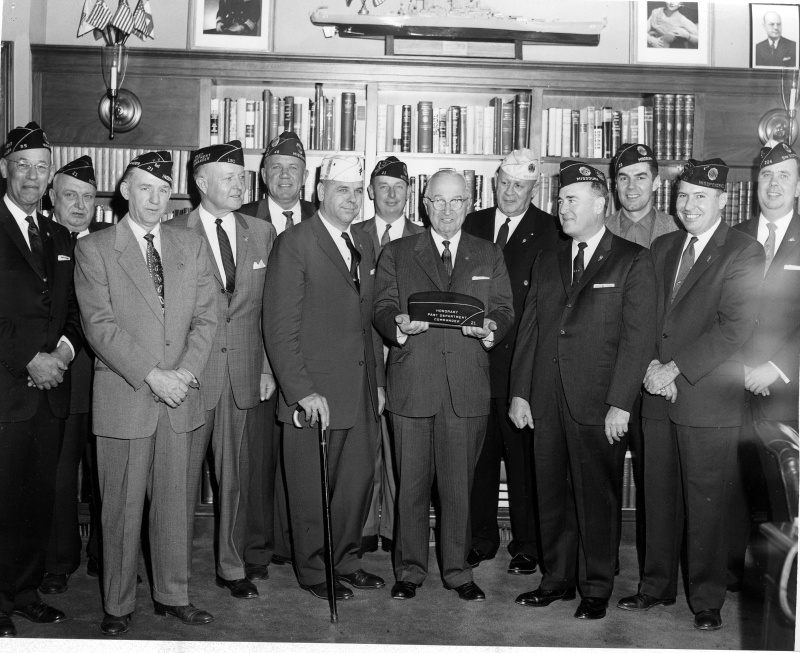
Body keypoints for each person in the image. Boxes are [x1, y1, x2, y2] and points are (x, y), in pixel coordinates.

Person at [74, 151, 218, 636]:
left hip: (181, 397)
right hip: (127, 396)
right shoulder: (96, 249)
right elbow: (99, 327)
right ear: (125, 191)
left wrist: (185, 373)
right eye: (145, 188)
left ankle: (173, 595)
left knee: (175, 505)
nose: (155, 199)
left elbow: (207, 318)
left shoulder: (190, 245)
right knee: (120, 506)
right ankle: (117, 603)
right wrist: (155, 375)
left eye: (162, 190)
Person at [617, 159, 764, 631]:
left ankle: (706, 600)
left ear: (723, 200)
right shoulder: (663, 247)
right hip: (656, 395)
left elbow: (734, 327)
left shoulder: (744, 251)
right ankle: (655, 586)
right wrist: (649, 368)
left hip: (706, 397)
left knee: (706, 503)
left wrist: (674, 369)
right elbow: (641, 318)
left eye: (701, 196)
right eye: (683, 195)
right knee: (657, 496)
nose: (690, 205)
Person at [508, 160, 656, 621]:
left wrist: (620, 403)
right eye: (559, 200)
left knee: (596, 497)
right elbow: (531, 329)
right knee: (550, 491)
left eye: (571, 200)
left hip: (599, 402)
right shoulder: (548, 258)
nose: (562, 208)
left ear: (599, 204)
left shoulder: (632, 259)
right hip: (547, 398)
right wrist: (520, 392)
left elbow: (638, 340)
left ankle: (595, 587)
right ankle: (556, 579)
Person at [373, 170, 514, 602]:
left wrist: (492, 330)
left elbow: (504, 309)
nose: (447, 210)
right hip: (413, 383)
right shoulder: (398, 252)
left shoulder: (488, 253)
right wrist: (397, 325)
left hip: (466, 387)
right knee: (412, 488)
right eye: (438, 201)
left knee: (458, 489)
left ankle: (457, 571)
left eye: (456, 201)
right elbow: (382, 306)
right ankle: (409, 571)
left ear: (468, 204)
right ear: (425, 204)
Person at [263, 153, 386, 601]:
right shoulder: (295, 243)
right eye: (341, 190)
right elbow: (279, 329)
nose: (351, 199)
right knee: (310, 487)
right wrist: (301, 392)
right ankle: (314, 569)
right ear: (320, 192)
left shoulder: (363, 242)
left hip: (359, 390)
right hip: (314, 395)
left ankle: (346, 560)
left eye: (357, 192)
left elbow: (367, 321)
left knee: (355, 483)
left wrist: (377, 384)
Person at [172, 140, 277, 599]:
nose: (240, 185)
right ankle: (174, 573)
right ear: (201, 182)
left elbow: (269, 309)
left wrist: (267, 368)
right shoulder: (174, 231)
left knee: (235, 479)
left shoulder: (262, 232)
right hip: (191, 377)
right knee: (178, 481)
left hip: (243, 375)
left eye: (242, 177)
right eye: (229, 177)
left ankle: (232, 568)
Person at [0, 121, 82, 638]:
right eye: (23, 166)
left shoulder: (59, 236)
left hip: (52, 393)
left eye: (41, 168)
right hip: (7, 390)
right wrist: (29, 358)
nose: (32, 177)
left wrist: (63, 354)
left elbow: (74, 310)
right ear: (4, 169)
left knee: (37, 500)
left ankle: (25, 592)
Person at [462, 149, 561, 575]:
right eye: (504, 183)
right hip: (472, 362)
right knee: (478, 459)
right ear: (494, 182)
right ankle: (481, 539)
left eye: (519, 185)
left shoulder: (552, 230)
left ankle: (527, 545)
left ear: (533, 189)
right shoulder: (472, 223)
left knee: (524, 464)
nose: (510, 191)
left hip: (522, 364)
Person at [238, 130, 315, 575]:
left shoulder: (322, 219)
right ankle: (256, 551)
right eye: (277, 168)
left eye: (294, 169)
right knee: (257, 459)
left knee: (300, 460)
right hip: (255, 363)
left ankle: (294, 545)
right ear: (263, 174)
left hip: (308, 362)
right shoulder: (242, 219)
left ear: (306, 177)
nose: (285, 176)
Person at [727, 142, 800, 588]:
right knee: (732, 485)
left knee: (780, 490)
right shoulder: (734, 236)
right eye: (767, 176)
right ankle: (730, 577)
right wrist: (736, 365)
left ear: (798, 186)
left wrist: (777, 366)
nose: (774, 185)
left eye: (784, 176)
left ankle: (782, 588)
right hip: (732, 383)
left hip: (786, 389)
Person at [606, 142, 680, 575]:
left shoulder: (677, 230)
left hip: (658, 379)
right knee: (602, 475)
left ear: (656, 182)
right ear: (613, 184)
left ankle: (655, 574)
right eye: (623, 177)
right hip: (608, 375)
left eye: (640, 177)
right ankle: (602, 564)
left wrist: (658, 366)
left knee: (656, 480)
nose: (631, 186)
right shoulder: (600, 228)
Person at [40, 156, 109, 596]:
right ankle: (58, 562)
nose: (80, 206)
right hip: (59, 380)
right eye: (70, 195)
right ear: (52, 197)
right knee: (59, 475)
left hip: (109, 379)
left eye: (88, 197)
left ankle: (108, 556)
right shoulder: (40, 241)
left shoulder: (110, 241)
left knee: (109, 476)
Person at [353, 155, 424, 557]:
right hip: (361, 354)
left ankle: (397, 530)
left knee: (402, 450)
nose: (391, 195)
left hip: (408, 356)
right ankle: (363, 529)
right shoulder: (352, 233)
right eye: (383, 187)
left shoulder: (424, 237)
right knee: (364, 448)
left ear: (409, 192)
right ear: (371, 191)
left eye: (399, 187)